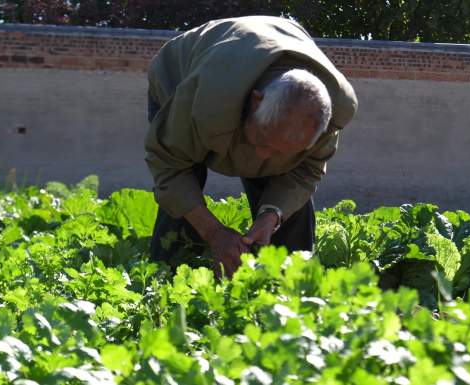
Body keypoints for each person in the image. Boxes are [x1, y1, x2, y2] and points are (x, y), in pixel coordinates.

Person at [145, 15, 357, 278]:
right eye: (262, 141)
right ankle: (166, 279)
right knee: (181, 199)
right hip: (181, 76)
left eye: (285, 152)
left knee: (288, 204)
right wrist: (214, 233)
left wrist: (272, 215)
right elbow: (169, 167)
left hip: (260, 66)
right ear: (256, 102)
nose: (265, 157)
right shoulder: (208, 96)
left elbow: (305, 173)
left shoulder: (329, 114)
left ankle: (289, 285)